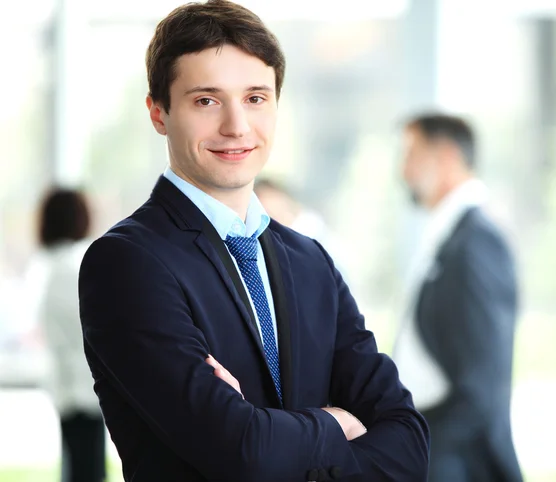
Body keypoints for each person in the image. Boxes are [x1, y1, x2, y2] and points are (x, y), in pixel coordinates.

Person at [78, 2, 429, 481]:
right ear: (158, 112)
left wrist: (271, 436)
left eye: (256, 98)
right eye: (207, 100)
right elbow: (241, 449)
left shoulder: (309, 261)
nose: (236, 126)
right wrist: (336, 423)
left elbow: (409, 440)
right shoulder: (127, 263)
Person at [392, 113, 522, 482]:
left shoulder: (477, 242)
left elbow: (482, 385)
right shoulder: (449, 235)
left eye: (411, 154)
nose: (404, 171)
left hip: (455, 465)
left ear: (446, 156)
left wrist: (421, 446)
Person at [33, 188, 105, 482]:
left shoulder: (66, 268)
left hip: (80, 393)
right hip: (79, 394)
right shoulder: (70, 265)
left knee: (83, 471)